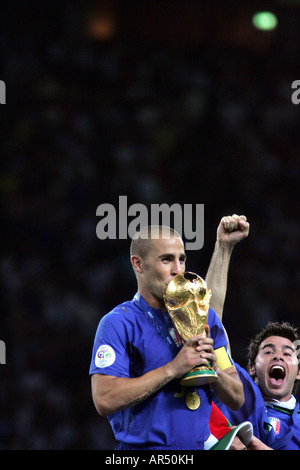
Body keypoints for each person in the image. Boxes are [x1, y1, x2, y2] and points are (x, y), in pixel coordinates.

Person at [89, 222, 245, 450]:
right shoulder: (118, 323)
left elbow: (237, 397)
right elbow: (104, 399)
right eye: (166, 259)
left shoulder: (205, 317)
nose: (178, 270)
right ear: (138, 264)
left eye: (182, 259)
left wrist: (215, 370)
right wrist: (173, 369)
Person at [206, 216, 300, 450]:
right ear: (251, 369)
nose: (278, 356)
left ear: (298, 372)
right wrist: (223, 247)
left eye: (288, 353)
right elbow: (207, 322)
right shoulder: (241, 396)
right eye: (268, 352)